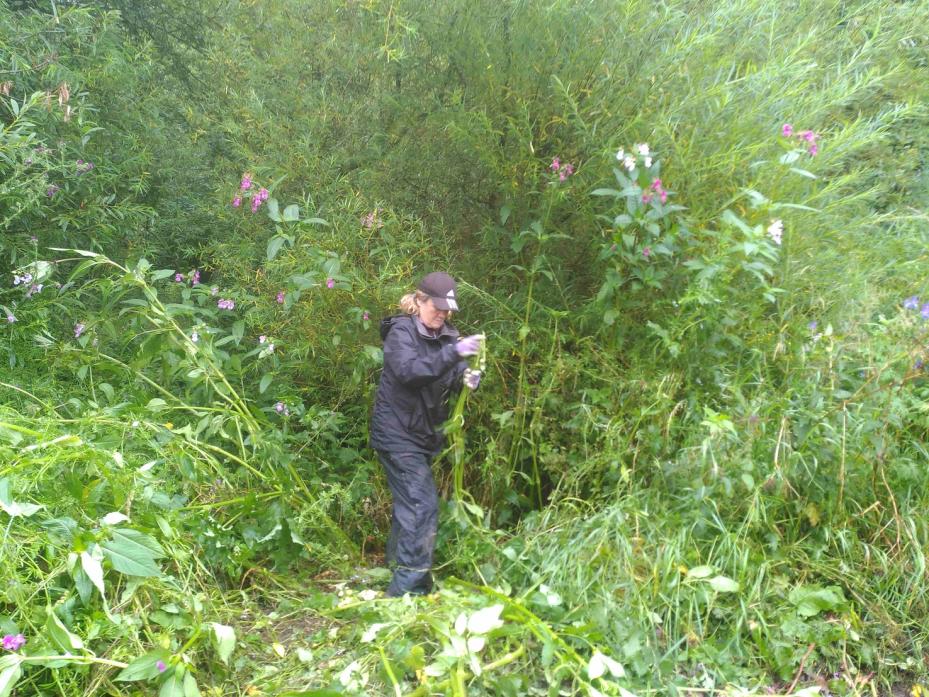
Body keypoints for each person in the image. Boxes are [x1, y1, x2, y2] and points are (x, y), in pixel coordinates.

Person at [370, 271, 483, 597]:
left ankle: (398, 568)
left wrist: (468, 378)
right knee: (422, 505)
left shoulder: (449, 336)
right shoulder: (400, 333)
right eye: (436, 308)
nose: (442, 316)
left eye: (447, 311)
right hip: (396, 433)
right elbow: (411, 372)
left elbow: (452, 373)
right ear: (419, 301)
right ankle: (407, 591)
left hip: (424, 436)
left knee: (410, 504)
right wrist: (454, 353)